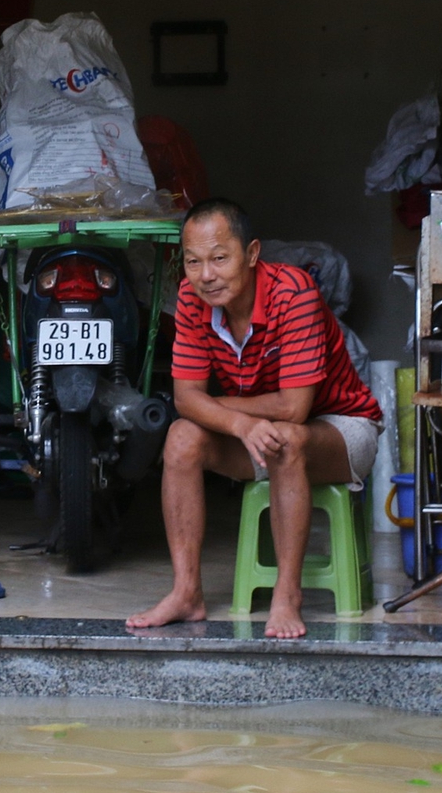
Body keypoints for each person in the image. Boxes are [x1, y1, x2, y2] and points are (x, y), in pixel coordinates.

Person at [127, 198, 381, 639]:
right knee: (182, 438)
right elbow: (187, 401)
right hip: (257, 433)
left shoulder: (294, 293)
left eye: (220, 258)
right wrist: (240, 424)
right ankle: (187, 593)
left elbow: (293, 408)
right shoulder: (191, 299)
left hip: (343, 428)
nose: (207, 275)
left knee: (285, 437)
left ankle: (287, 595)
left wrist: (221, 408)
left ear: (252, 254)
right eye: (193, 262)